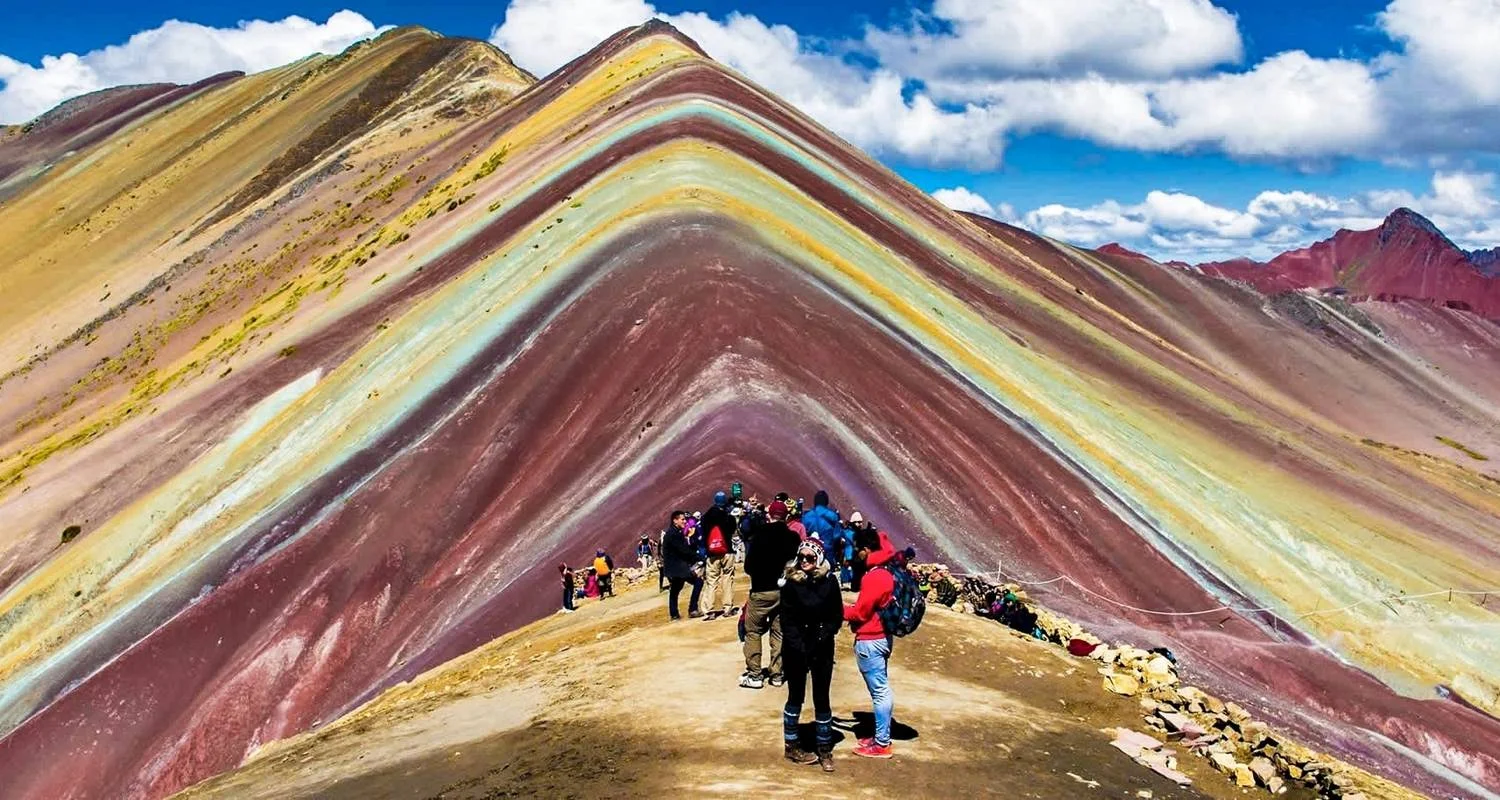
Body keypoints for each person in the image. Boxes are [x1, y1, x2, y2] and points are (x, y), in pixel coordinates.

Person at [779, 539, 843, 771]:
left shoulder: (830, 582)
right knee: (796, 695)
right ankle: (792, 745)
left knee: (822, 696)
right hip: (796, 647)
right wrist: (798, 645)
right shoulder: (790, 584)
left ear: (819, 559)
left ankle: (824, 748)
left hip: (822, 645)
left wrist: (824, 633)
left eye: (810, 557)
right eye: (801, 557)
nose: (804, 561)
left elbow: (836, 615)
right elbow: (786, 620)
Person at [845, 527, 897, 759]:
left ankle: (882, 743)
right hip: (883, 636)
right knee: (881, 688)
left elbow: (860, 613)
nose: (856, 553)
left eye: (858, 549)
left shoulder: (874, 577)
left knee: (880, 692)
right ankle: (880, 737)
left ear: (866, 550)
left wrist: (837, 609)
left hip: (870, 638)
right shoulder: (887, 570)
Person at [741, 500, 802, 689]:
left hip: (760, 591)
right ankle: (777, 674)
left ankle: (755, 675)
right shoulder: (792, 538)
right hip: (784, 591)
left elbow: (748, 566)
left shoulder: (759, 535)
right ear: (786, 516)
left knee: (753, 631)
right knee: (779, 631)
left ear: (769, 515)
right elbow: (795, 564)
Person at [700, 491, 739, 620]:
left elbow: (703, 533)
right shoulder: (728, 516)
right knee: (727, 579)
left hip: (712, 553)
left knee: (711, 581)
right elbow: (732, 530)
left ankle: (709, 610)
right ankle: (727, 608)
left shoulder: (706, 516)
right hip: (727, 550)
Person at [661, 510, 704, 620]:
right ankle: (692, 609)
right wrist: (698, 557)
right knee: (698, 582)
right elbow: (683, 550)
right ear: (675, 521)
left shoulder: (674, 532)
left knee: (675, 590)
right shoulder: (674, 534)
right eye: (682, 519)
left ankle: (674, 614)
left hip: (675, 567)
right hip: (679, 567)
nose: (685, 521)